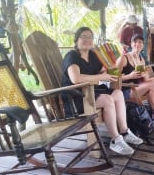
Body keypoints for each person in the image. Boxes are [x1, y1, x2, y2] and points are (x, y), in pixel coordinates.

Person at [61, 27, 143, 156]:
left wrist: (110, 72)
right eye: (84, 36)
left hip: (92, 92)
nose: (87, 40)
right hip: (76, 99)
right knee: (108, 99)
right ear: (76, 40)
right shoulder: (72, 56)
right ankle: (116, 139)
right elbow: (76, 79)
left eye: (90, 37)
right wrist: (101, 77)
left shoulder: (92, 55)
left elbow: (101, 72)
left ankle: (125, 132)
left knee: (118, 93)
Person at [115, 34, 154, 126]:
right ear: (131, 44)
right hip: (126, 91)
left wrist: (145, 74)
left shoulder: (141, 59)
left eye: (140, 42)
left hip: (137, 87)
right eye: (135, 42)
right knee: (152, 84)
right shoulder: (123, 59)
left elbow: (146, 79)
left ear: (143, 45)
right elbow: (113, 78)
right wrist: (129, 76)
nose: (137, 44)